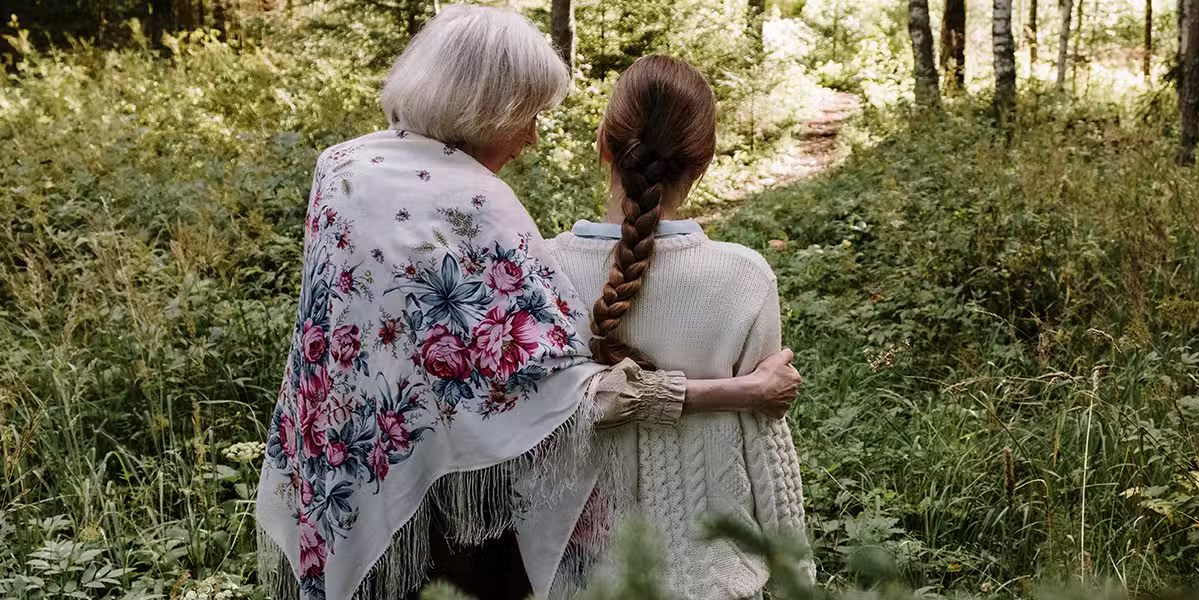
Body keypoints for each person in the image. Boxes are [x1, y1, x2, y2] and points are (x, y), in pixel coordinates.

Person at [254, 7, 804, 600]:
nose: (531, 137)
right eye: (528, 116)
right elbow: (566, 393)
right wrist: (741, 393)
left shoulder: (340, 168)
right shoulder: (480, 207)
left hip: (345, 461)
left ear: (607, 144)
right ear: (481, 109)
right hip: (452, 505)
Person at [540, 55, 816, 599]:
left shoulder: (538, 269)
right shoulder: (742, 276)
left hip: (574, 578)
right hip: (713, 579)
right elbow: (764, 435)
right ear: (706, 160)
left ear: (604, 144)